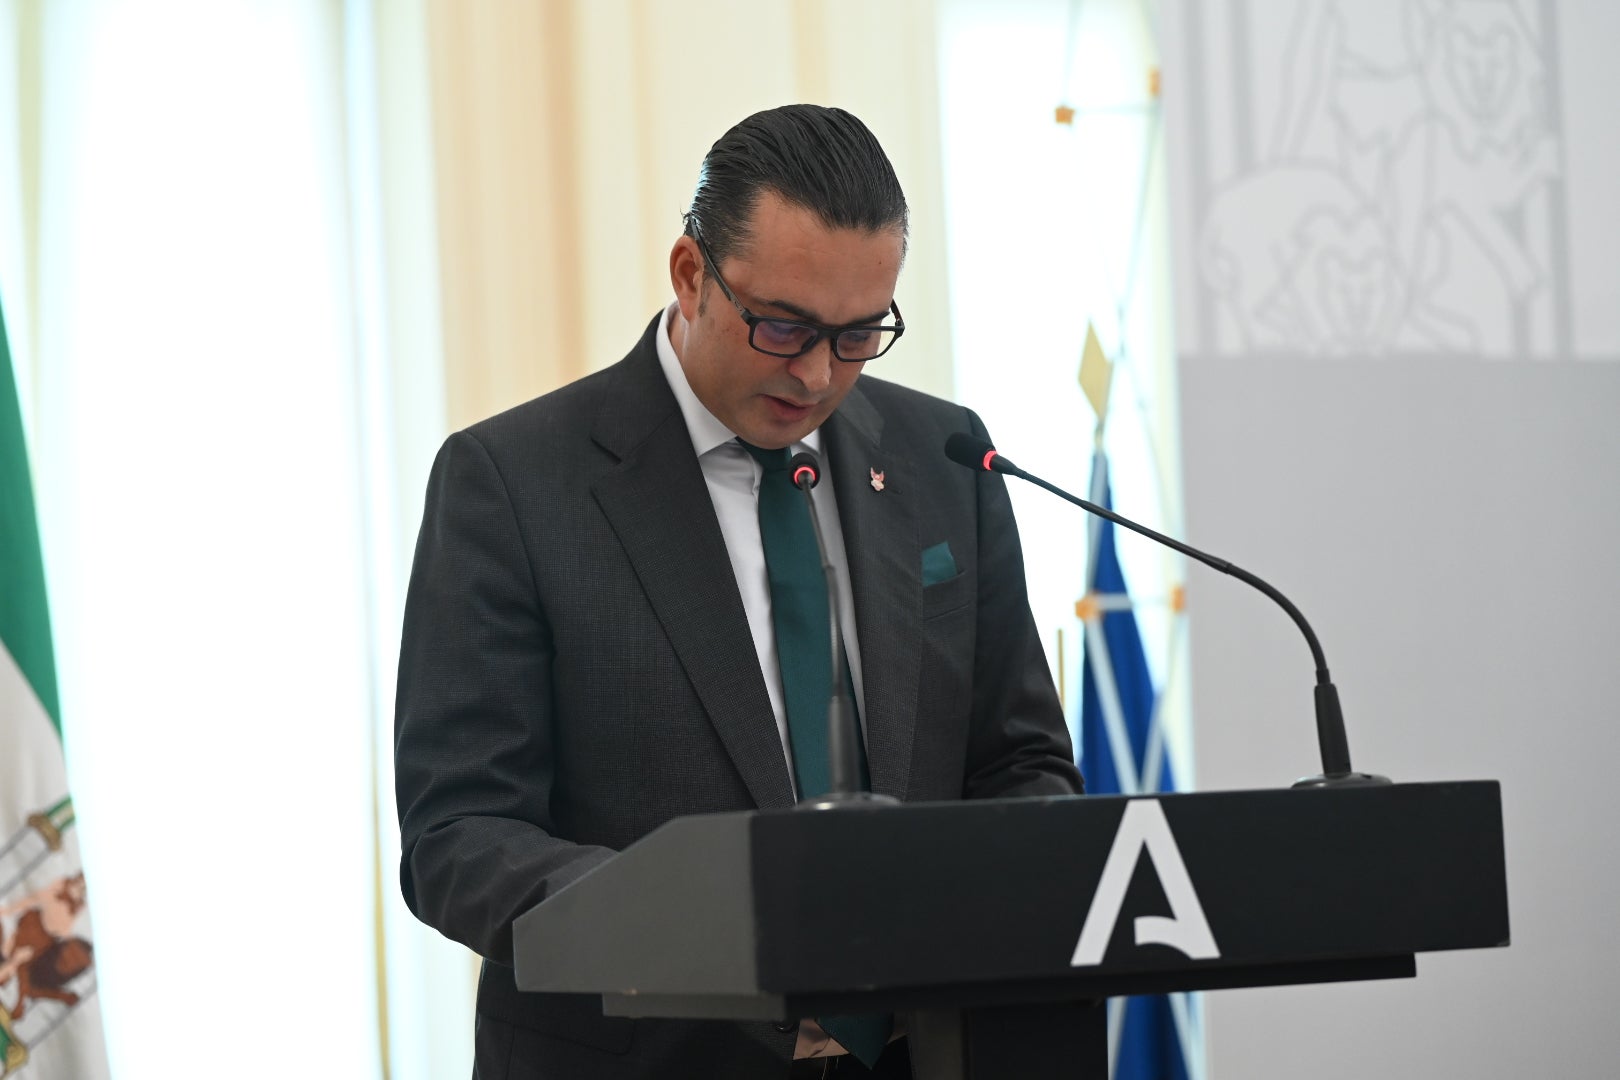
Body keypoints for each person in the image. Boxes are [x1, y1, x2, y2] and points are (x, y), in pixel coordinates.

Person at [395, 104, 1082, 1080]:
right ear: (690, 274)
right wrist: (716, 930)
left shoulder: (942, 459)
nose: (816, 374)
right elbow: (458, 837)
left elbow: (1021, 765)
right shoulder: (513, 483)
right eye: (783, 327)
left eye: (858, 335)